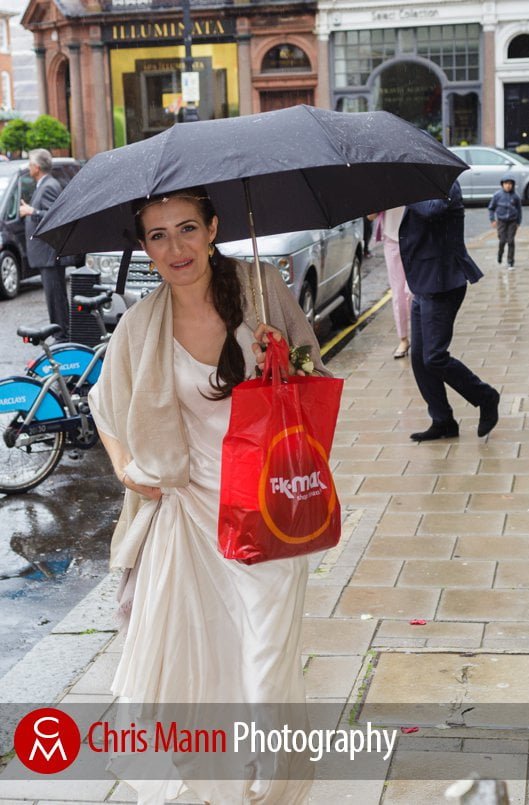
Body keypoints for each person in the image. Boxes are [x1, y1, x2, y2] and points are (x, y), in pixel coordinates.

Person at [87, 188, 326, 803]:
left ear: (215, 227)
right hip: (189, 516)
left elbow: (314, 377)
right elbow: (106, 407)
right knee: (205, 661)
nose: (176, 247)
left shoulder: (260, 290)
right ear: (144, 248)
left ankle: (269, 785)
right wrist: (123, 469)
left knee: (267, 662)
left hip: (269, 513)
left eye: (187, 228)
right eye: (158, 235)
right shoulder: (142, 323)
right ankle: (223, 781)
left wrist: (282, 357)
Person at [398, 180, 500, 442]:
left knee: (434, 357)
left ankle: (485, 396)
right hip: (424, 283)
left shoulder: (445, 184)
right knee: (420, 360)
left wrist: (407, 189)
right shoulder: (423, 184)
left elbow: (432, 210)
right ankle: (443, 420)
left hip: (444, 282)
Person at [19, 149, 69, 341]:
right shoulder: (44, 184)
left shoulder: (48, 186)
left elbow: (53, 216)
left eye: (30, 164)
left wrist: (32, 211)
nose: (29, 168)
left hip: (50, 254)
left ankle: (61, 336)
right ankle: (60, 334)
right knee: (54, 299)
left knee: (56, 299)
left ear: (37, 167)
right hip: (47, 255)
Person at [369, 206, 411, 359]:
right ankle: (403, 339)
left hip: (415, 238)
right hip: (392, 240)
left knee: (411, 292)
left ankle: (422, 336)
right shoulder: (381, 184)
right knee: (398, 294)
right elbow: (370, 216)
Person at [488, 174, 522, 268]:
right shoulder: (497, 195)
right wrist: (492, 220)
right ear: (502, 184)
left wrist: (518, 222)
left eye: (510, 184)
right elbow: (491, 208)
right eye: (506, 183)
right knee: (502, 240)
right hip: (501, 221)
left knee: (511, 241)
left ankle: (510, 260)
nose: (508, 186)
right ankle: (500, 253)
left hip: (512, 221)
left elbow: (519, 210)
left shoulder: (516, 196)